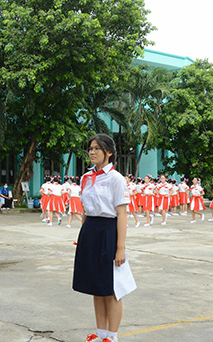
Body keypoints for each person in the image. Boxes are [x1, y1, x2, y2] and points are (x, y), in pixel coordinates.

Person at [73, 133, 132, 342]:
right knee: (96, 287)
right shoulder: (86, 177)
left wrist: (120, 247)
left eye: (97, 148)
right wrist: (85, 234)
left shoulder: (116, 179)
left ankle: (112, 337)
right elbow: (86, 210)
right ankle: (101, 334)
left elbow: (122, 214)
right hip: (90, 230)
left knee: (113, 288)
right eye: (90, 148)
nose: (92, 152)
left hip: (109, 230)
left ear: (109, 152)